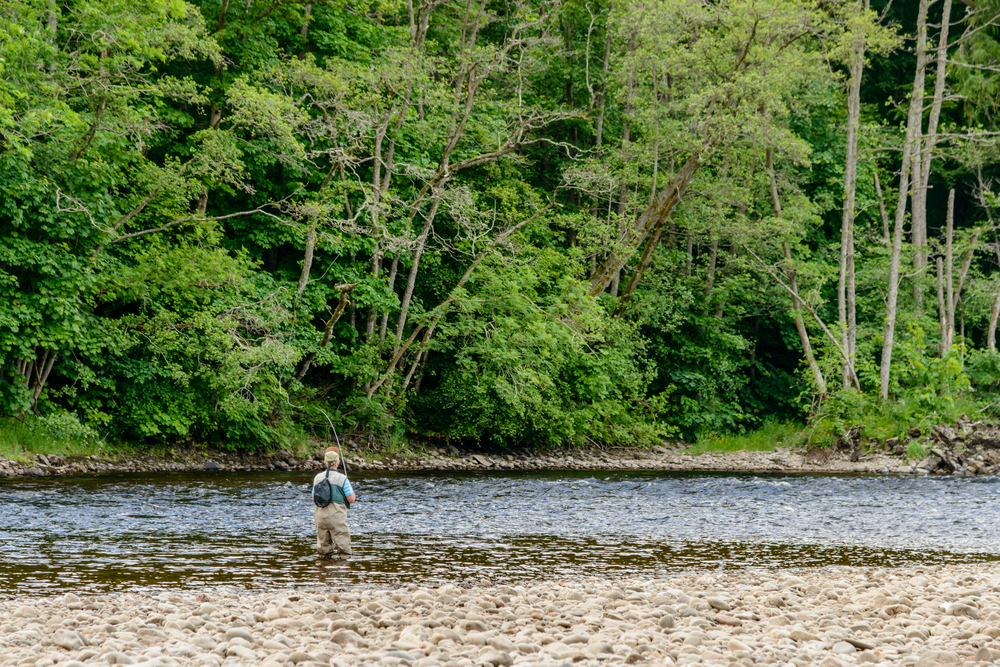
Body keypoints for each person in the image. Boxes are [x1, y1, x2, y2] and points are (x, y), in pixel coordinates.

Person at [311, 446, 356, 561]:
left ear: (325, 463)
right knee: (344, 550)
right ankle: (343, 573)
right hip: (337, 517)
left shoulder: (317, 478)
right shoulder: (343, 478)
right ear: (338, 462)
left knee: (323, 550)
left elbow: (313, 498)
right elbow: (351, 499)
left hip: (320, 516)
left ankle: (323, 572)